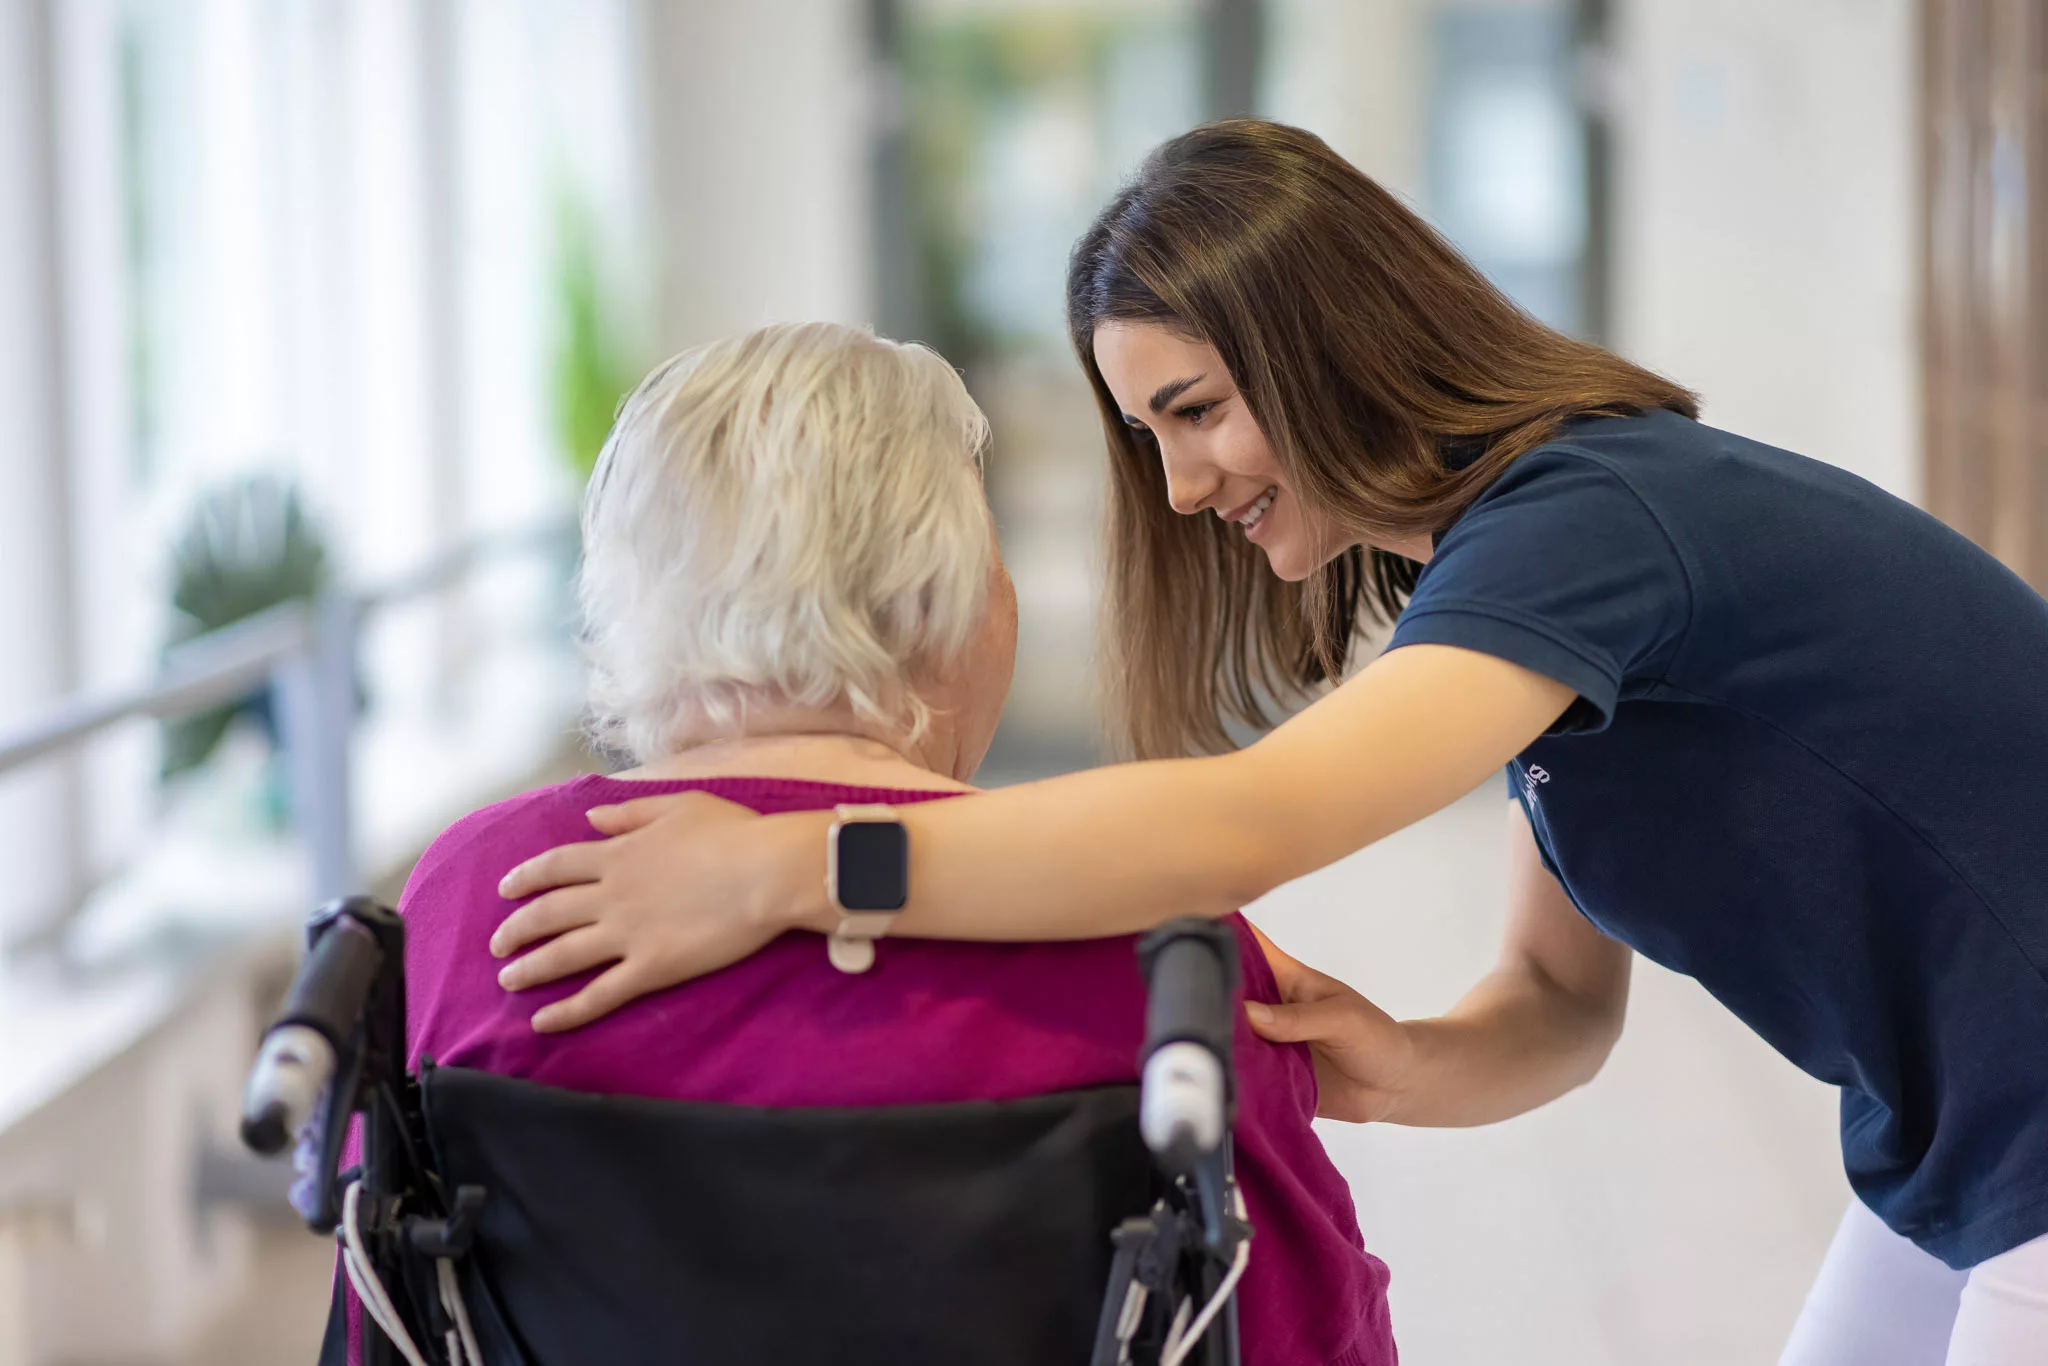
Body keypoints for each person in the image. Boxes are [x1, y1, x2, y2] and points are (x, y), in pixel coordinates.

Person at [489, 123, 2048, 1364]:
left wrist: (789, 869)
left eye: (1195, 409)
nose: (1177, 487)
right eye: (1145, 434)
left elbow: (1247, 821)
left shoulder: (1589, 523)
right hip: (1959, 1143)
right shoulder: (1511, 572)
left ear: (1326, 341)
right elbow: (1561, 1001)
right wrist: (1406, 1059)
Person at [355, 321, 1396, 1365]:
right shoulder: (1148, 937)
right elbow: (1302, 1333)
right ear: (936, 606)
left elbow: (384, 1311)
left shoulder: (469, 901)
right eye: (991, 559)